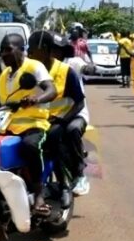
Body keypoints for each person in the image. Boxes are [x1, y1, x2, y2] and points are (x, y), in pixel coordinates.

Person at [0, 32, 58, 214]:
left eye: (8, 49)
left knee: (30, 146)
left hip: (34, 124)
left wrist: (35, 99)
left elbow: (51, 90)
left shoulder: (34, 66)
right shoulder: (4, 75)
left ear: (21, 50)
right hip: (6, 125)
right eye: (2, 51)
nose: (4, 54)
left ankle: (39, 195)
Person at [28, 31, 91, 197]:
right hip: (46, 118)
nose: (55, 53)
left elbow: (79, 102)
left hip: (73, 114)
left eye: (57, 50)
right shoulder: (32, 71)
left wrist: (63, 119)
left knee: (71, 130)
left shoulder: (67, 70)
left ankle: (79, 174)